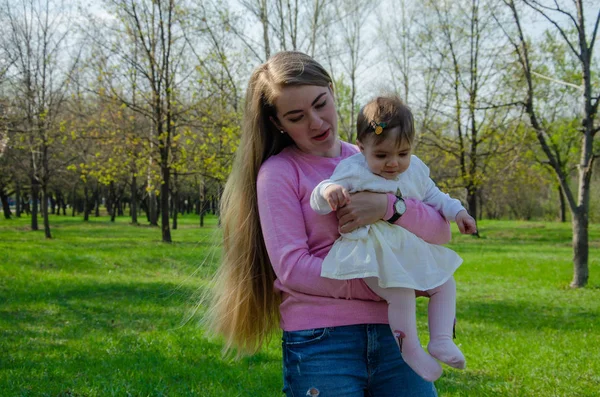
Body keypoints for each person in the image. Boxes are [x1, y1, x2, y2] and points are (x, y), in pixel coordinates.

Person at [206, 51, 454, 396]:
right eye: (297, 116)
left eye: (321, 104)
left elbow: (441, 233)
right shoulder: (279, 173)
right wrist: (386, 283)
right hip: (322, 339)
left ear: (333, 91)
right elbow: (292, 267)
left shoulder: (378, 157)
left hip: (394, 331)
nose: (317, 123)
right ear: (278, 123)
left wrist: (387, 207)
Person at [310, 95, 477, 382]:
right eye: (382, 155)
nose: (393, 164)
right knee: (400, 291)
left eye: (402, 153)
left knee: (445, 283)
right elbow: (320, 194)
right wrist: (329, 191)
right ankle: (409, 348)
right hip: (372, 253)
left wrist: (458, 212)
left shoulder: (415, 170)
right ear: (362, 148)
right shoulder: (353, 169)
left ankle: (440, 339)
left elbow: (436, 196)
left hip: (407, 247)